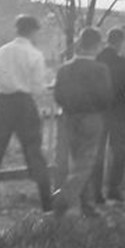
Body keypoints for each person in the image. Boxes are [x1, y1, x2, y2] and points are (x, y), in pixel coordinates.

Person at [0, 15, 53, 220]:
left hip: (4, 104)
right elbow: (37, 88)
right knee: (34, 153)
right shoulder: (35, 55)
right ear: (33, 31)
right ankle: (48, 206)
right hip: (24, 104)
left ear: (17, 29)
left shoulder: (2, 51)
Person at [51, 27, 113, 217]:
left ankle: (87, 204)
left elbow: (58, 95)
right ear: (96, 46)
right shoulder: (100, 69)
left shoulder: (64, 68)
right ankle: (65, 197)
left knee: (76, 160)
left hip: (69, 116)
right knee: (86, 162)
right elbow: (106, 96)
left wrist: (70, 106)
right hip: (92, 116)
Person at [89, 27, 125, 203]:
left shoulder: (95, 60)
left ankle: (96, 191)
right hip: (118, 109)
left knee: (97, 150)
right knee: (120, 148)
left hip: (98, 109)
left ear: (107, 40)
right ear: (120, 41)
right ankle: (114, 187)